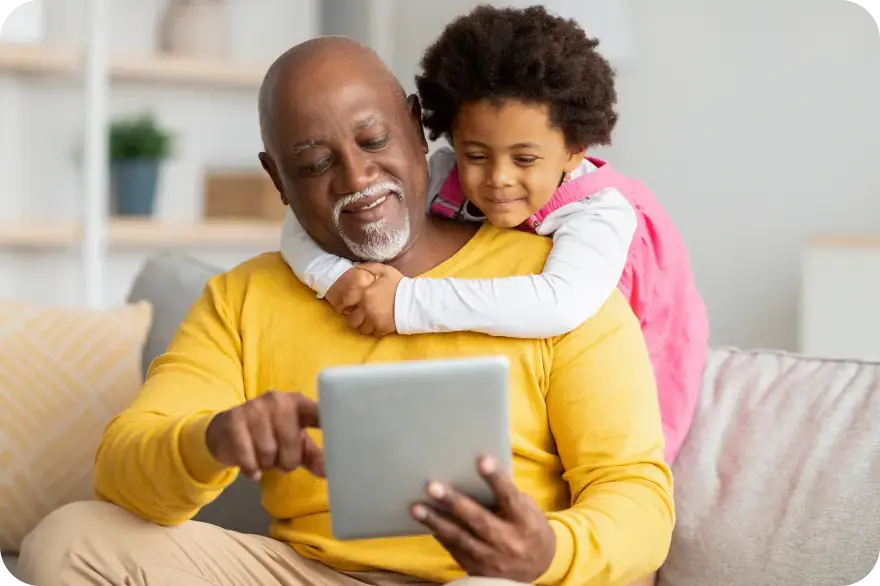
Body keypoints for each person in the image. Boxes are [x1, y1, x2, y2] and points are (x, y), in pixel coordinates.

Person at [19, 37, 673, 586]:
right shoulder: (243, 297)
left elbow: (639, 498)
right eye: (314, 163)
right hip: (314, 572)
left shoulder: (555, 285)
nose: (357, 178)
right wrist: (213, 437)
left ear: (418, 127)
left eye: (372, 139)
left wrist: (548, 553)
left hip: (499, 577)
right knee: (69, 542)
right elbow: (125, 469)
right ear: (276, 178)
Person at [280, 5, 709, 468]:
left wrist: (405, 304)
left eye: (524, 160)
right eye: (477, 155)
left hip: (640, 366)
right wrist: (331, 277)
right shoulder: (442, 175)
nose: (498, 179)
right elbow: (302, 224)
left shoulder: (599, 212)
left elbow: (558, 303)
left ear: (574, 149)